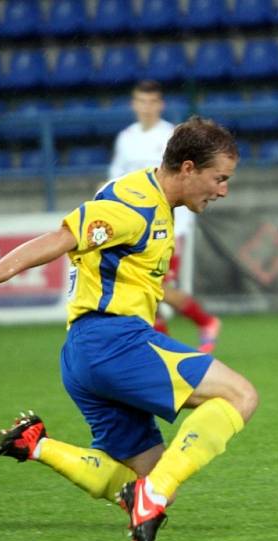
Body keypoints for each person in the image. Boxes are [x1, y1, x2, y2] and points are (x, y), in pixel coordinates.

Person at [0, 117, 258, 541]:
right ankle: (149, 497)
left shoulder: (154, 201)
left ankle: (35, 443)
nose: (223, 190)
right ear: (188, 168)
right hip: (114, 341)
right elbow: (64, 236)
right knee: (240, 395)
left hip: (83, 355)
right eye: (220, 178)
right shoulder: (134, 205)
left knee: (149, 477)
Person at [109, 79, 221, 352]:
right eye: (141, 101)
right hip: (136, 226)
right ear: (133, 104)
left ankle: (206, 321)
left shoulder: (172, 136)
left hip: (171, 224)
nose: (146, 107)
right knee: (148, 293)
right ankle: (165, 350)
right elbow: (116, 179)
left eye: (152, 102)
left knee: (156, 287)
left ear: (161, 105)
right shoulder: (126, 139)